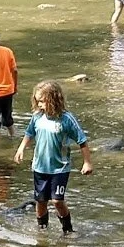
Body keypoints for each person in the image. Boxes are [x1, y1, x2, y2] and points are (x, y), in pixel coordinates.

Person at [14, 80, 92, 233]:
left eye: (42, 101)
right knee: (41, 201)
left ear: (53, 100)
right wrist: (21, 149)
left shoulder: (66, 119)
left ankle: (68, 230)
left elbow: (82, 141)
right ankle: (42, 230)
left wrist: (87, 162)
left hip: (60, 168)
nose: (39, 105)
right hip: (40, 167)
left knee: (57, 201)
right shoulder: (37, 117)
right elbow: (29, 133)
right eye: (37, 101)